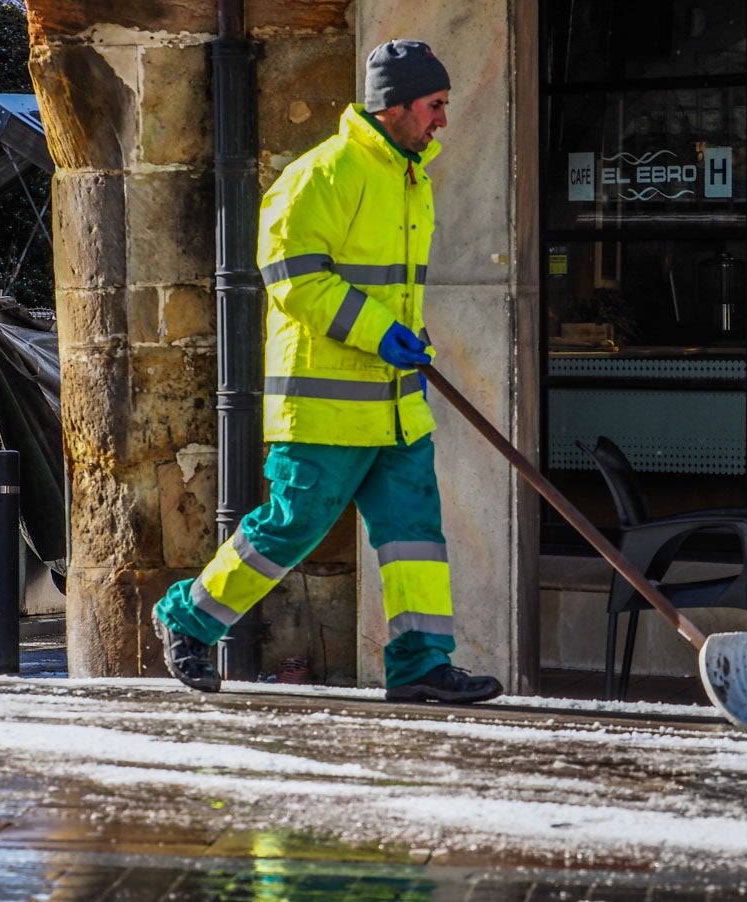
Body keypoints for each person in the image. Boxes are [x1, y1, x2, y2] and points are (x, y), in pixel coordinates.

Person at [152, 39, 503, 705]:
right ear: (394, 106)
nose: (443, 122)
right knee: (293, 523)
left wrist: (407, 335)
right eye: (434, 105)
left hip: (395, 404)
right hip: (324, 404)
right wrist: (380, 333)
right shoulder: (320, 175)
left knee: (414, 538)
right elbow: (294, 280)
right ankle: (187, 618)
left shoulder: (408, 177)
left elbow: (382, 289)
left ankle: (421, 664)